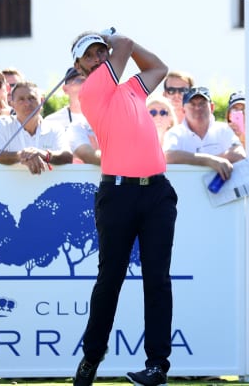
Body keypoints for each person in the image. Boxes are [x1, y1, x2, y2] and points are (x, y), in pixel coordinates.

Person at [71, 29, 177, 386]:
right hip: (117, 196)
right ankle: (92, 356)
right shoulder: (92, 90)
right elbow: (126, 46)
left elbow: (159, 68)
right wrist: (113, 36)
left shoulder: (130, 89)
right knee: (110, 279)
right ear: (80, 67)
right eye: (90, 55)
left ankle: (157, 366)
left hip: (157, 193)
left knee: (157, 280)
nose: (100, 56)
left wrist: (114, 41)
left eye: (102, 51)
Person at [0, 80, 73, 174]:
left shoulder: (55, 127)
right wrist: (20, 155)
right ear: (12, 104)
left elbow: (67, 156)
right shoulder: (1, 124)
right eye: (21, 99)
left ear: (42, 101)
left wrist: (43, 154)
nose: (27, 103)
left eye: (32, 98)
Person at [164, 87, 246, 183]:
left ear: (211, 107)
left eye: (202, 103)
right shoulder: (175, 133)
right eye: (192, 104)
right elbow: (168, 156)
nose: (198, 108)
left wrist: (198, 161)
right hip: (186, 192)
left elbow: (239, 154)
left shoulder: (223, 129)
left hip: (221, 194)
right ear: (183, 110)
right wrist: (210, 161)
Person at [44, 67, 101, 165]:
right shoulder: (51, 121)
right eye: (80, 80)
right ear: (65, 89)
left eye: (90, 80)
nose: (86, 84)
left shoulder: (105, 117)